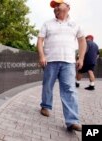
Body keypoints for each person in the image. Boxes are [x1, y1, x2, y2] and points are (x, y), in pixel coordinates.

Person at [37, 0, 87, 131]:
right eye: (54, 6)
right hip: (50, 60)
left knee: (69, 90)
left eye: (59, 4)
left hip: (69, 62)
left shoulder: (75, 24)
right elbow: (40, 40)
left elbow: (82, 41)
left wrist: (81, 58)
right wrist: (42, 56)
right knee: (47, 85)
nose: (56, 7)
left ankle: (72, 121)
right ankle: (45, 106)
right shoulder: (47, 23)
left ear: (68, 7)